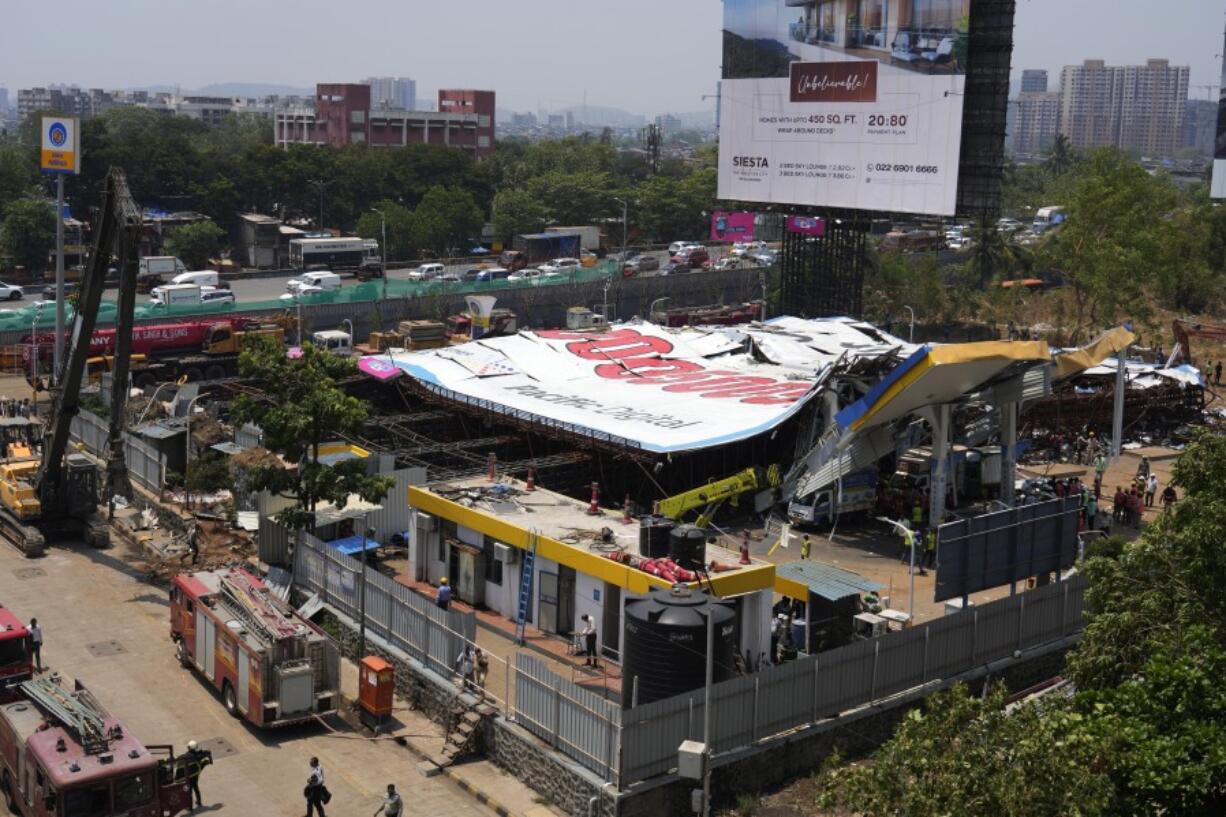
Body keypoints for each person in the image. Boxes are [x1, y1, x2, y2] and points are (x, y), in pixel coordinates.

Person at [183, 740, 209, 812]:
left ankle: (190, 807)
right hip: (196, 774)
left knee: (190, 791)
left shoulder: (186, 755)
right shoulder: (197, 755)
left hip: (189, 776)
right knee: (196, 787)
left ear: (189, 748)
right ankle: (199, 802)